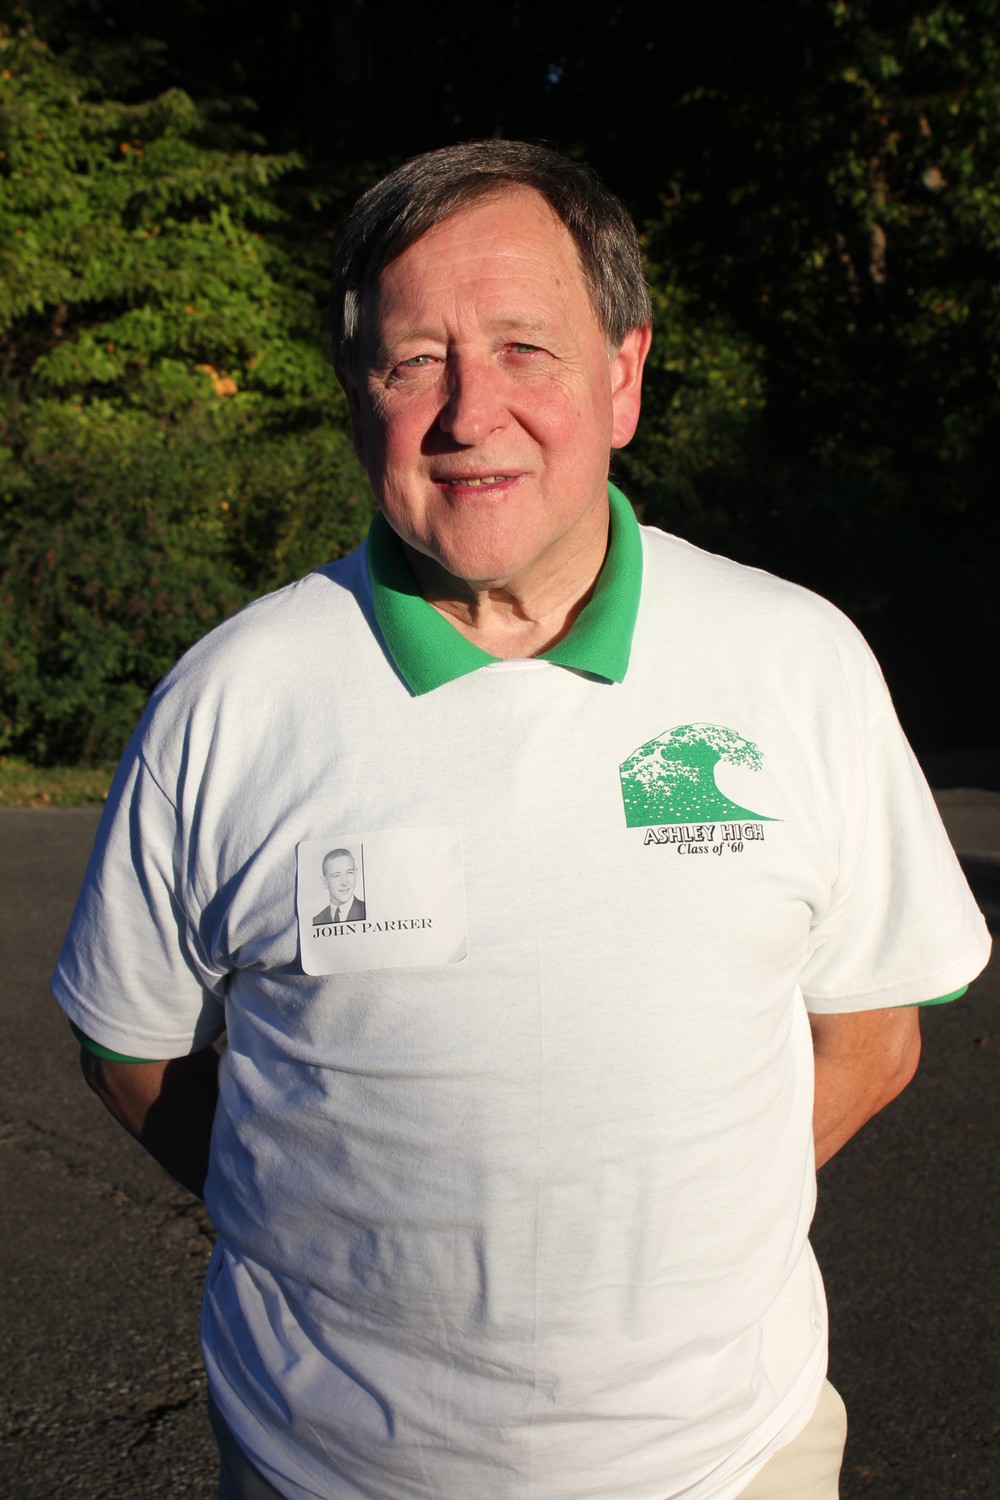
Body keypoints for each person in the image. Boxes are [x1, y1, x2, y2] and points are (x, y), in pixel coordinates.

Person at [53, 140, 990, 1500]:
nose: (469, 411)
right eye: (413, 360)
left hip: (728, 1461)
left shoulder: (796, 662)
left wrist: (658, 1247)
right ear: (357, 397)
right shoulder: (233, 699)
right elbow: (132, 1051)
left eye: (524, 349)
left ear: (623, 375)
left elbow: (874, 1036)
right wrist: (352, 1239)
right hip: (325, 1467)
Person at [312, 847, 366, 924]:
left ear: (355, 874)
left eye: (349, 872)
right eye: (336, 876)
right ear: (325, 882)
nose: (345, 883)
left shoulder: (367, 910)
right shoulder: (316, 921)